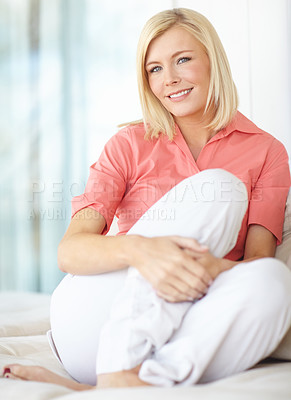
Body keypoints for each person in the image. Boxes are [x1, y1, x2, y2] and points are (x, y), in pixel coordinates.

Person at [2, 7, 291, 391]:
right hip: (96, 326)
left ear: (212, 60)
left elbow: (256, 262)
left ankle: (120, 387)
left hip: (182, 331)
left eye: (182, 60)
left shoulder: (267, 152)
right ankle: (118, 365)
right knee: (221, 189)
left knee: (272, 282)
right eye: (154, 69)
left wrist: (201, 268)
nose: (169, 79)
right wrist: (143, 251)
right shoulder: (128, 144)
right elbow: (69, 252)